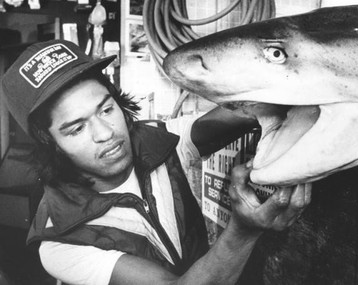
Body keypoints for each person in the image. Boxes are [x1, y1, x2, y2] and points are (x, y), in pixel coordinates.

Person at [1, 39, 311, 285]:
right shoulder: (60, 241)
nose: (105, 133)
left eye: (106, 110)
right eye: (77, 128)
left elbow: (243, 111)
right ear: (49, 142)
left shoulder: (158, 143)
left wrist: (298, 83)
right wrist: (243, 231)